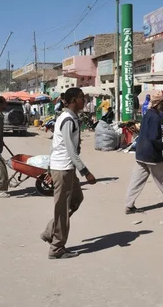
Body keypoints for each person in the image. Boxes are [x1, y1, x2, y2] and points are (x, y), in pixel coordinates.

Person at [41, 87, 97, 260]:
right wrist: (85, 172)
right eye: (82, 98)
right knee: (62, 209)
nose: (84, 101)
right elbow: (69, 149)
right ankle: (57, 247)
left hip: (66, 168)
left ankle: (51, 231)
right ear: (73, 100)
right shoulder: (67, 119)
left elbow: (55, 145)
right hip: (63, 168)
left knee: (76, 199)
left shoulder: (71, 118)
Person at [125, 90, 163, 214]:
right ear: (158, 104)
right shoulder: (155, 118)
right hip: (150, 154)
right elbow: (154, 138)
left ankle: (128, 205)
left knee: (137, 180)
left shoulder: (148, 114)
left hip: (141, 152)